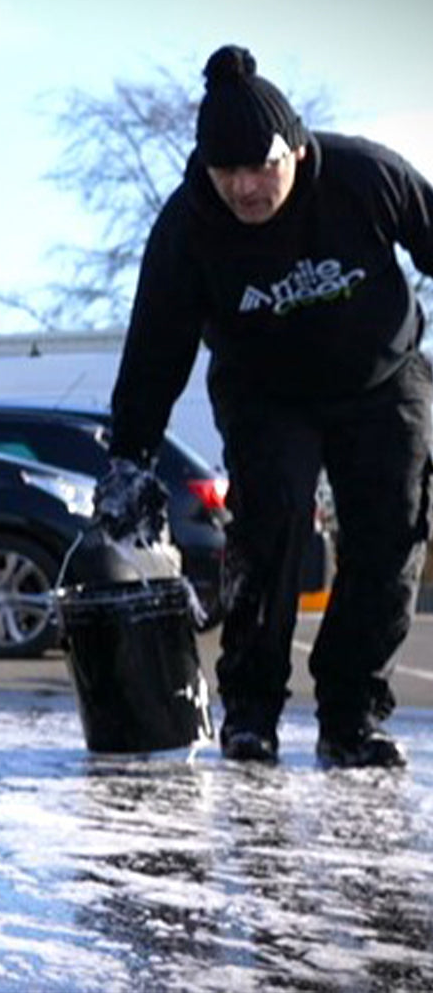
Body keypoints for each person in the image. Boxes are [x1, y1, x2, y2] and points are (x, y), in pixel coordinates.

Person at [99, 44, 433, 768]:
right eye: (230, 174)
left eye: (263, 168)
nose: (248, 188)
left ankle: (352, 716)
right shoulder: (189, 226)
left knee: (391, 535)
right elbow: (156, 348)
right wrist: (130, 454)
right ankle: (251, 712)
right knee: (271, 525)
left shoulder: (365, 177)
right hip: (265, 391)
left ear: (297, 150)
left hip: (384, 381)